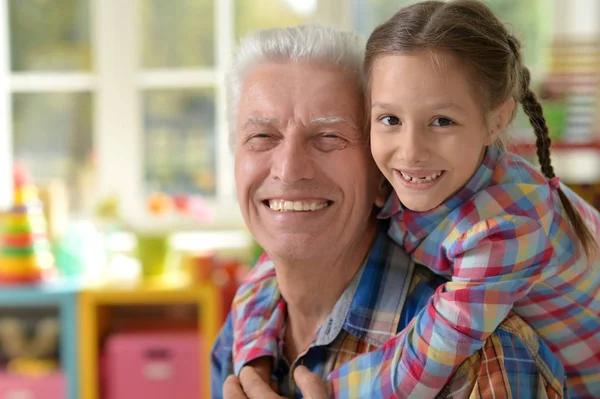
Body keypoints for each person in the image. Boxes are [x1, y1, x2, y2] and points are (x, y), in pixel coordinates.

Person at [225, 1, 600, 397]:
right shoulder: (418, 185)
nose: (410, 151)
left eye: (442, 121)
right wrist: (253, 360)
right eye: (390, 120)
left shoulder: (506, 228)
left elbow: (423, 361)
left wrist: (315, 391)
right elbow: (274, 269)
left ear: (496, 120)